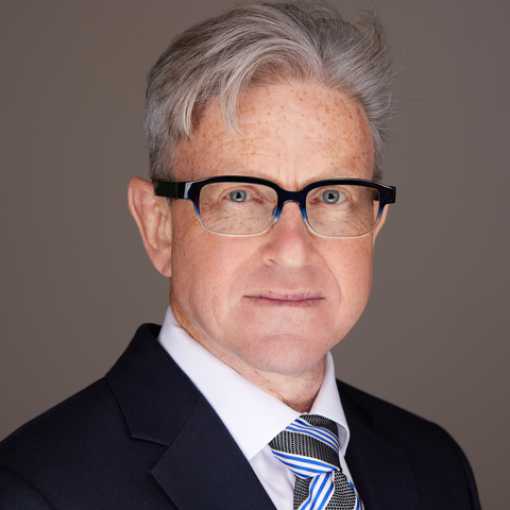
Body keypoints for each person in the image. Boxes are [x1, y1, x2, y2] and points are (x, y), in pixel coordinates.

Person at [0, 2, 481, 509]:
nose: (292, 251)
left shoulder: (433, 466)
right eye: (240, 195)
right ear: (159, 225)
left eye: (332, 196)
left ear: (374, 225)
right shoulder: (34, 492)